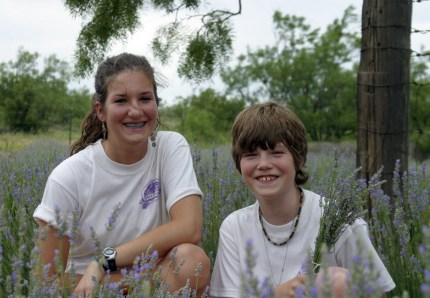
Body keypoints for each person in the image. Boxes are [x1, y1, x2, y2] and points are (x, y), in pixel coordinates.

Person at [33, 53, 210, 296]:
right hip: (89, 289)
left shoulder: (170, 147)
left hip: (145, 282)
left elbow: (190, 227)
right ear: (101, 110)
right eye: (121, 101)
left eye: (145, 98)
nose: (135, 111)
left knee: (192, 261)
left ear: (156, 104)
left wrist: (105, 261)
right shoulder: (69, 177)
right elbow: (47, 281)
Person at [209, 102, 395, 297]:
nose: (263, 164)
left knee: (335, 281)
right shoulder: (234, 227)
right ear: (239, 163)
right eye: (251, 155)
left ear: (299, 159)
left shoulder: (339, 221)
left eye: (277, 153)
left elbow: (376, 293)